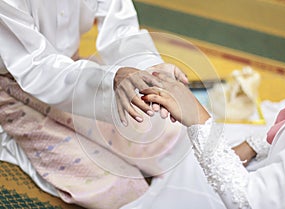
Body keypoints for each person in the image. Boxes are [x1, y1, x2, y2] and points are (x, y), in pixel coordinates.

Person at [0, 0, 190, 208]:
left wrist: (149, 71)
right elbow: (36, 66)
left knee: (170, 134)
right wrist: (111, 79)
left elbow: (120, 28)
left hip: (75, 72)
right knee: (113, 185)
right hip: (15, 88)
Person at [141, 72, 285, 209]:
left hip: (257, 189)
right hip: (265, 154)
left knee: (192, 167)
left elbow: (250, 201)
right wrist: (253, 145)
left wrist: (198, 118)